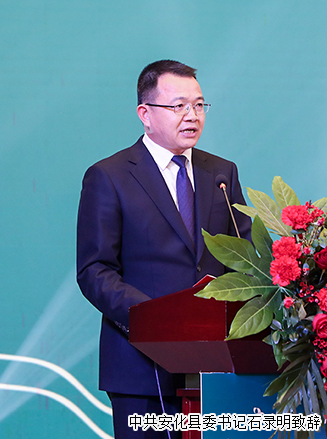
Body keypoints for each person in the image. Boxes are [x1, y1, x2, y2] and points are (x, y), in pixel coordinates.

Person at [76, 60, 251, 439]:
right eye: (178, 106)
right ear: (145, 114)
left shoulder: (222, 173)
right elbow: (95, 270)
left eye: (199, 105)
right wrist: (153, 319)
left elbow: (244, 258)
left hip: (215, 367)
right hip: (141, 367)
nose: (192, 116)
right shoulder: (110, 176)